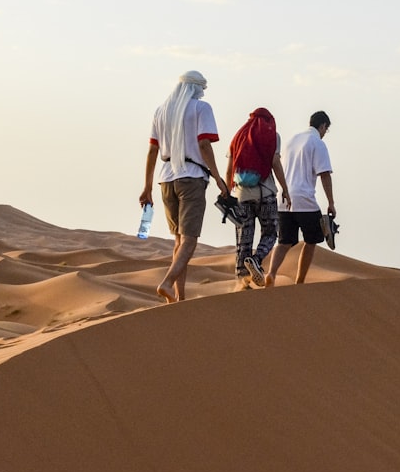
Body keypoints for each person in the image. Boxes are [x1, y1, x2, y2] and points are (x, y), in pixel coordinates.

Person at [140, 71, 228, 303]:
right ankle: (167, 283)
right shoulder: (201, 108)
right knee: (189, 239)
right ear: (195, 88)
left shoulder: (161, 111)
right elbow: (204, 144)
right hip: (192, 177)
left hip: (166, 178)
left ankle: (179, 297)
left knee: (179, 240)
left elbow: (152, 151)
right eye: (202, 88)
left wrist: (147, 187)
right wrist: (218, 178)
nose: (203, 93)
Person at [265, 110, 335, 286]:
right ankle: (300, 281)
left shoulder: (293, 140)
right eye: (326, 130)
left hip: (284, 198)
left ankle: (271, 274)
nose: (325, 134)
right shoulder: (317, 142)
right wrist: (331, 203)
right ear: (323, 126)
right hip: (304, 198)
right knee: (312, 240)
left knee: (284, 241)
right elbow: (324, 174)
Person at [225, 108, 290, 290]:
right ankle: (256, 259)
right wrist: (285, 189)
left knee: (243, 240)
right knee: (270, 233)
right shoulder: (272, 136)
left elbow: (230, 168)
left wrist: (227, 191)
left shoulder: (238, 137)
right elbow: (275, 163)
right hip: (266, 192)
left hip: (241, 195)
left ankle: (242, 283)